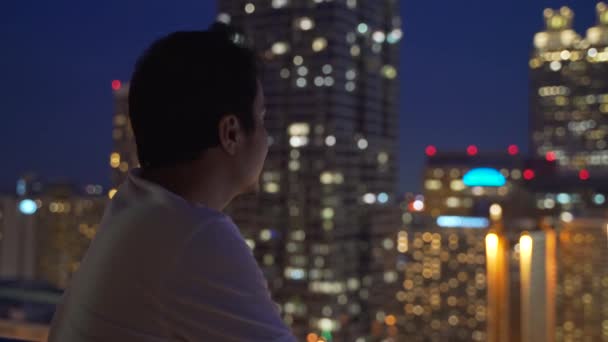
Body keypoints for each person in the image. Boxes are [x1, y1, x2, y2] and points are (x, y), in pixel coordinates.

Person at [48, 24, 296, 342]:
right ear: (231, 133)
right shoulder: (195, 235)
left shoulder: (135, 208)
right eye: (261, 118)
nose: (266, 137)